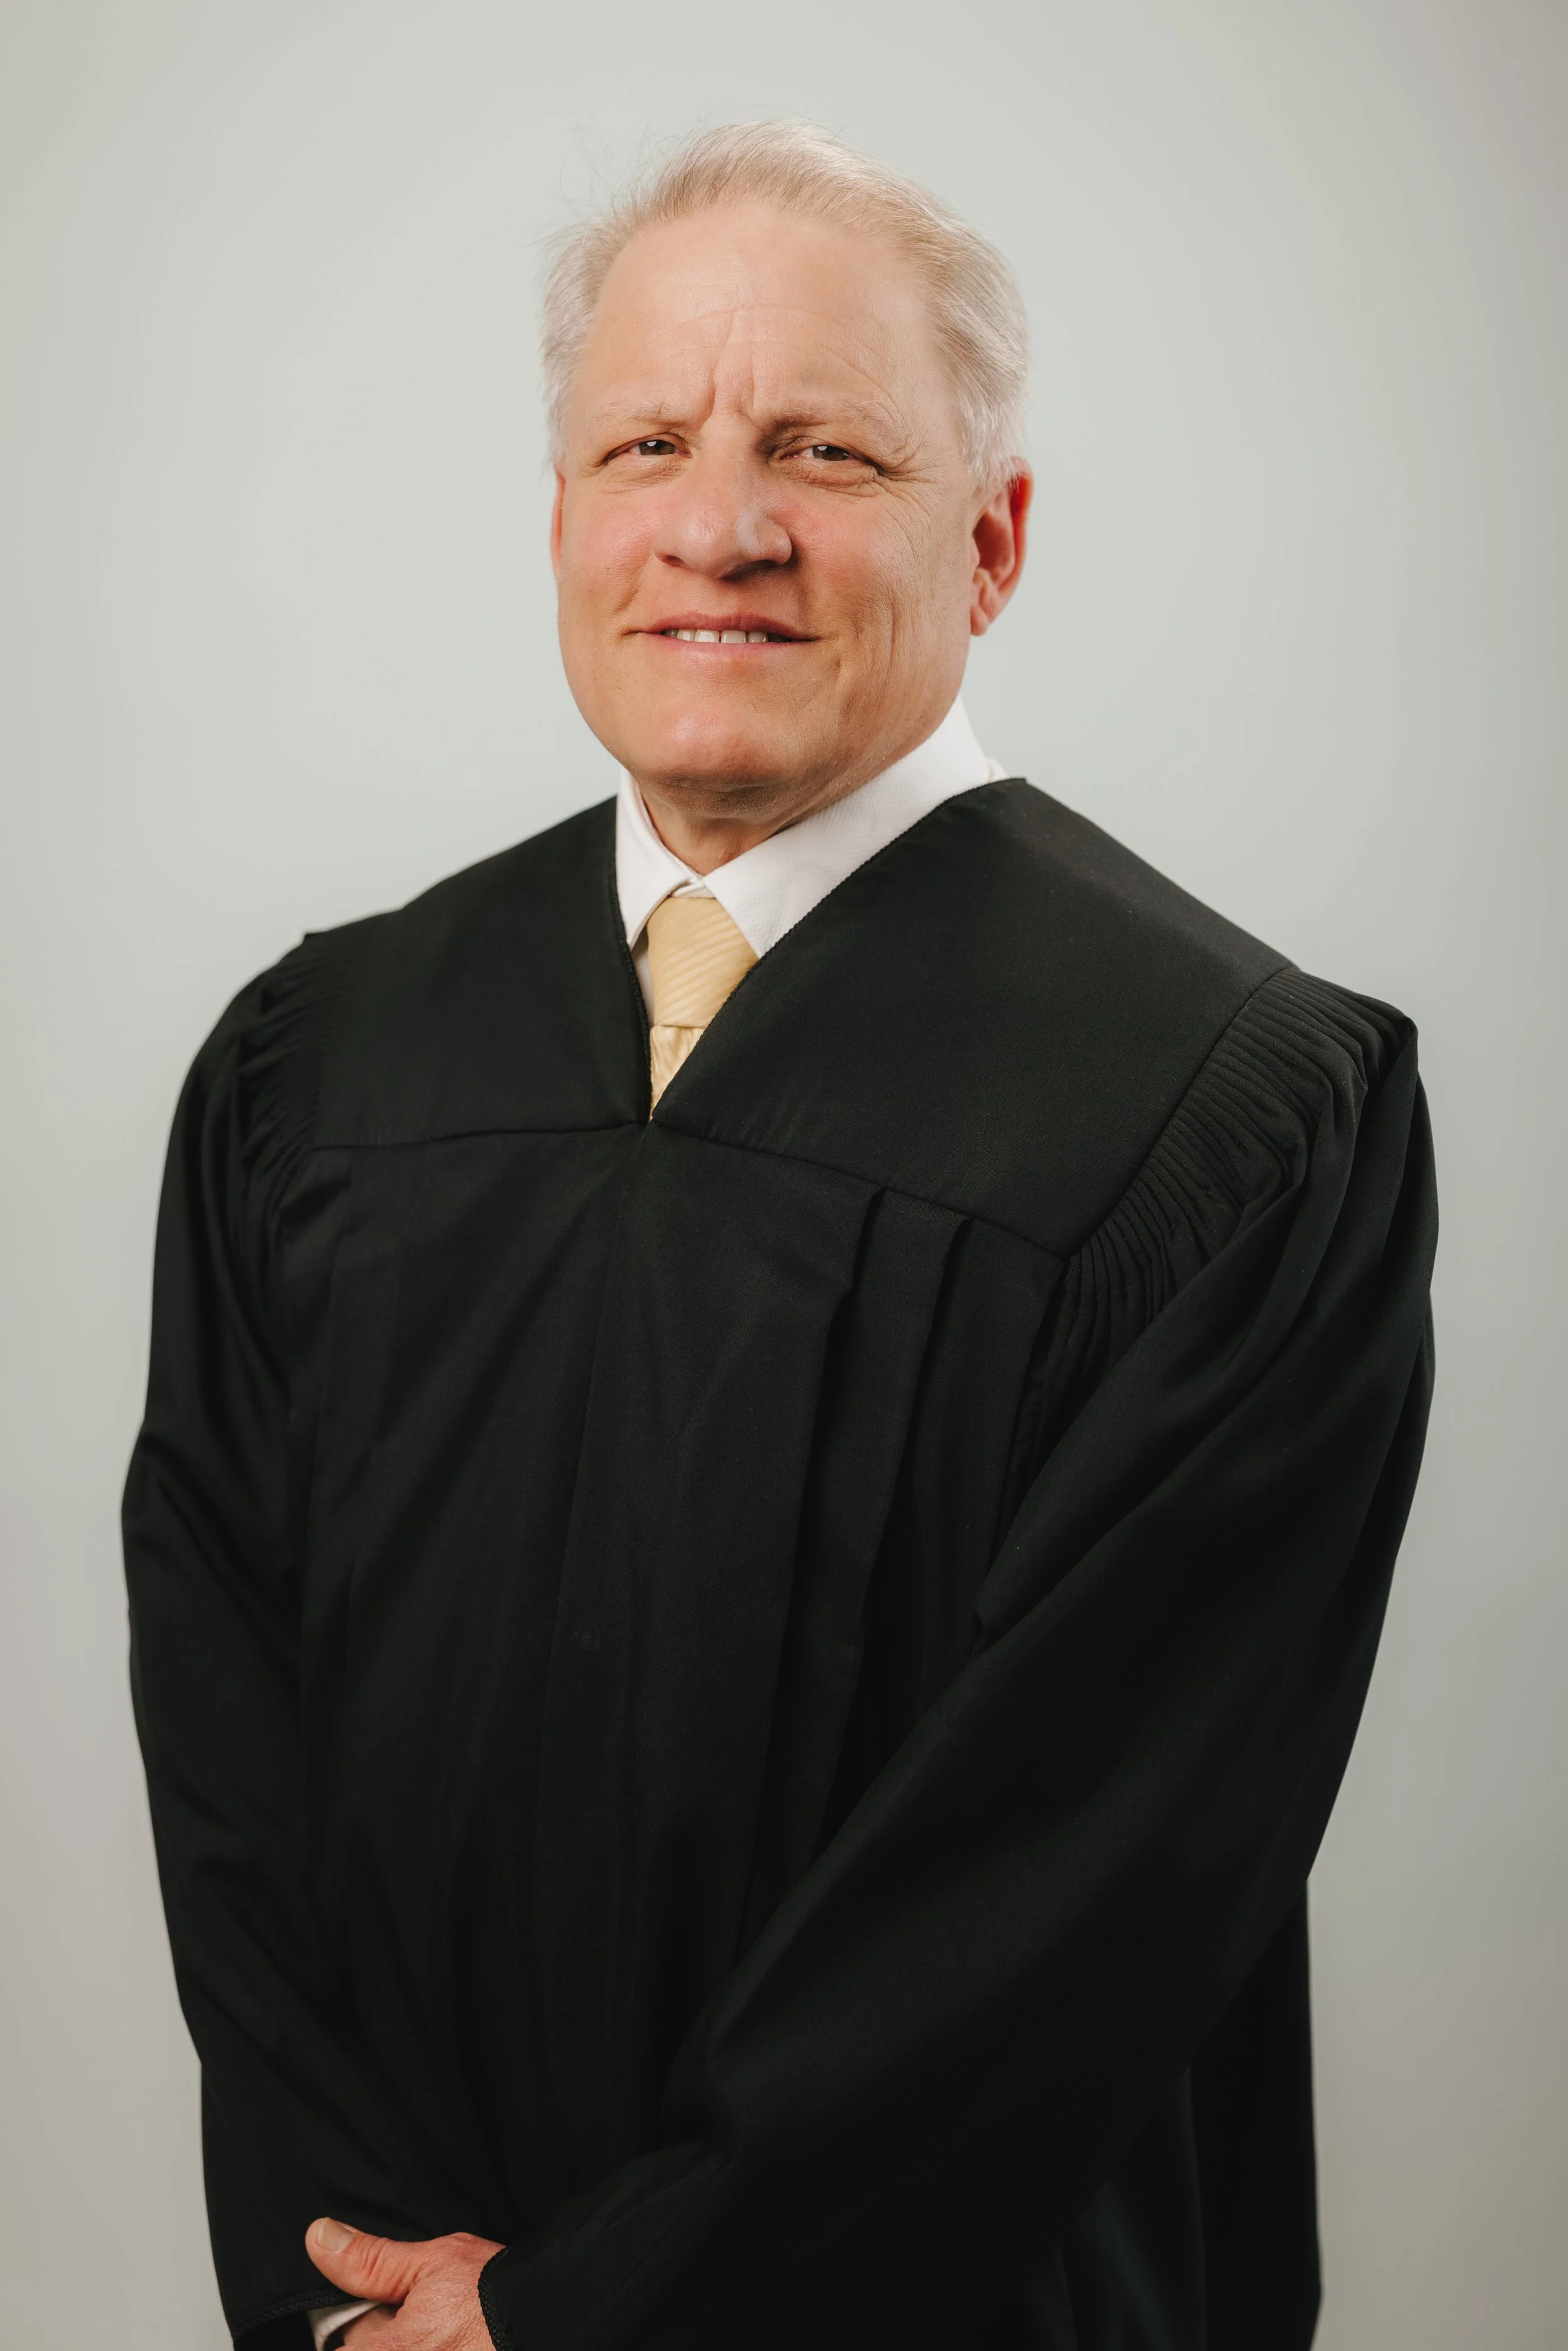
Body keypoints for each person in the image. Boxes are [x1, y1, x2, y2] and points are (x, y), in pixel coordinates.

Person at [123, 121, 1437, 2351]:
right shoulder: (316, 1065)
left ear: (990, 539)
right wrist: (356, 2280)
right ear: (562, 515)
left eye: (823, 451)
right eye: (645, 444)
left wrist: (592, 2317)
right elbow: (227, 1743)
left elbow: (1074, 1883)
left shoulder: (1228, 1118)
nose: (716, 527)